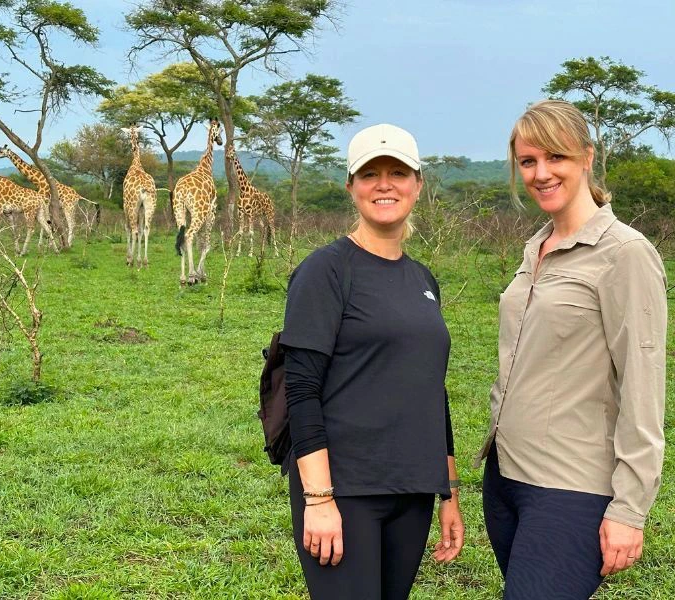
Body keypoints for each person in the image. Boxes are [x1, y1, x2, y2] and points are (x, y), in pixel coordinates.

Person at [475, 99, 667, 599]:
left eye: (555, 157)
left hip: (570, 488)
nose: (541, 173)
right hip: (505, 478)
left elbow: (643, 389)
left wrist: (628, 509)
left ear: (586, 157)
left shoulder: (624, 253)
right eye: (528, 161)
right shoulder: (535, 246)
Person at [280, 124, 464, 600]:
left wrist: (449, 491)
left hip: (413, 491)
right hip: (346, 490)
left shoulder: (423, 278)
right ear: (351, 186)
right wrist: (319, 501)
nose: (385, 184)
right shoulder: (326, 270)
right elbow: (301, 391)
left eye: (398, 172)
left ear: (418, 184)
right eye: (370, 174)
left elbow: (431, 388)